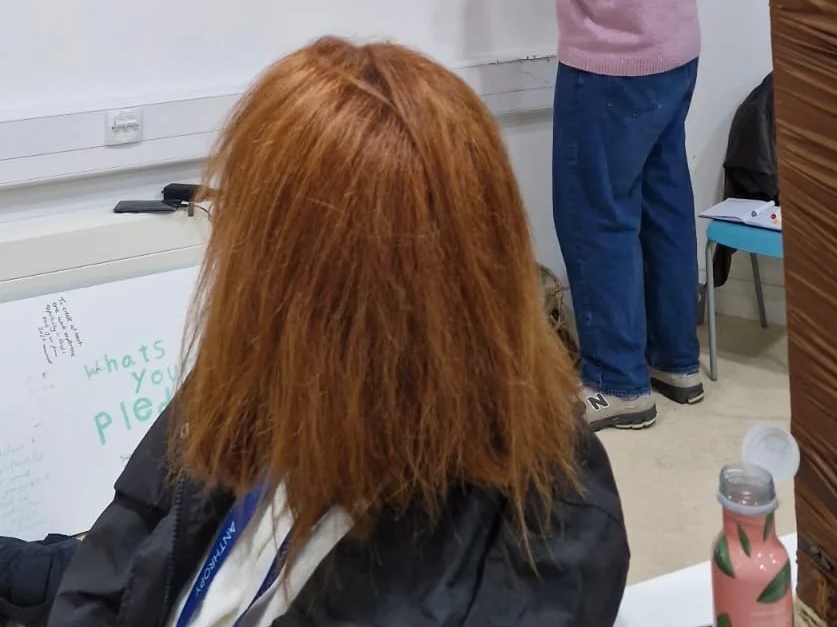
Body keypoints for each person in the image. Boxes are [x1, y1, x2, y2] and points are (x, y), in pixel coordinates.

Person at [2, 39, 629, 627]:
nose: (231, 266)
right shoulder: (253, 377)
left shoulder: (550, 518)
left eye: (250, 235)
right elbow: (122, 562)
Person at [525, 0, 702, 433]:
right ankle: (674, 362)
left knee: (596, 216)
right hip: (672, 57)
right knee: (662, 206)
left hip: (611, 67)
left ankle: (617, 382)